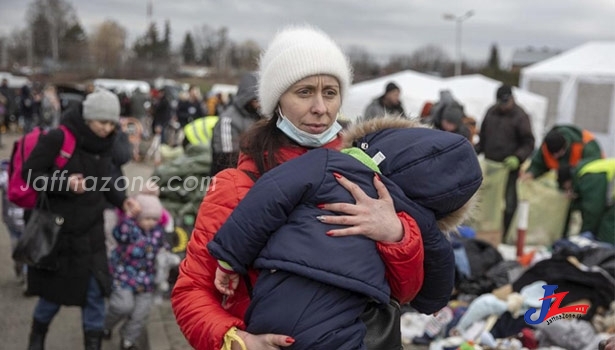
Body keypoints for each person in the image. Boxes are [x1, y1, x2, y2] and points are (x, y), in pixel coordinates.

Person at [171, 25, 449, 350]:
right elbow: (191, 290)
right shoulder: (236, 185)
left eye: (330, 92)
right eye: (304, 92)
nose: (320, 107)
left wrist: (395, 235)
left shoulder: (367, 175)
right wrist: (235, 340)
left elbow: (405, 293)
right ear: (276, 101)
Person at [208, 117, 482, 349]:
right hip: (341, 324)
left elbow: (268, 196)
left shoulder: (326, 163)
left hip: (276, 302)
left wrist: (229, 259)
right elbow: (434, 295)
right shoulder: (419, 223)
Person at [23, 88, 139, 350]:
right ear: (88, 117)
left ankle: (93, 344)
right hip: (61, 236)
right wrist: (64, 182)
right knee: (52, 297)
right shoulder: (58, 137)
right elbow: (30, 174)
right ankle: (36, 337)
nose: (107, 128)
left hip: (92, 234)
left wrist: (122, 200)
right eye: (102, 122)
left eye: (112, 123)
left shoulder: (106, 143)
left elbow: (104, 180)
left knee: (95, 295)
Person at [103, 193, 170, 350]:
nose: (150, 223)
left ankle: (128, 340)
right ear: (138, 216)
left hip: (147, 280)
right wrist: (127, 216)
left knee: (141, 313)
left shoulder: (158, 232)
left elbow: (163, 248)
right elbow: (118, 234)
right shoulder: (129, 228)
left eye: (154, 219)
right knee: (122, 306)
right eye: (147, 218)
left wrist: (166, 257)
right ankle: (105, 325)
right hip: (125, 276)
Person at [475, 84, 535, 239]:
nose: (503, 106)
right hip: (490, 167)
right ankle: (484, 231)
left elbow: (529, 142)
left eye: (506, 102)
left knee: (508, 204)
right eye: (501, 103)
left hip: (509, 168)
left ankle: (503, 234)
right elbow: (483, 137)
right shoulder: (491, 112)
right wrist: (474, 151)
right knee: (486, 202)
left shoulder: (520, 116)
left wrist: (518, 157)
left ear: (512, 99)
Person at [210, 72, 262, 176]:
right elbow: (226, 158)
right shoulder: (228, 120)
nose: (259, 104)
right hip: (232, 177)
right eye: (255, 99)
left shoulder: (259, 116)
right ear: (246, 98)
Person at [557, 158, 614, 244]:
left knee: (607, 228)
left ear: (568, 182)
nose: (568, 193)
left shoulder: (588, 178)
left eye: (567, 189)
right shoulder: (585, 169)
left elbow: (593, 211)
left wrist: (583, 238)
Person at [521, 124, 603, 184]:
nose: (555, 157)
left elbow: (594, 169)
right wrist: (531, 173)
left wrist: (574, 186)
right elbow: (539, 164)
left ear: (565, 146)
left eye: (558, 154)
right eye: (552, 154)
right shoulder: (547, 146)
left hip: (594, 178)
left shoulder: (586, 146)